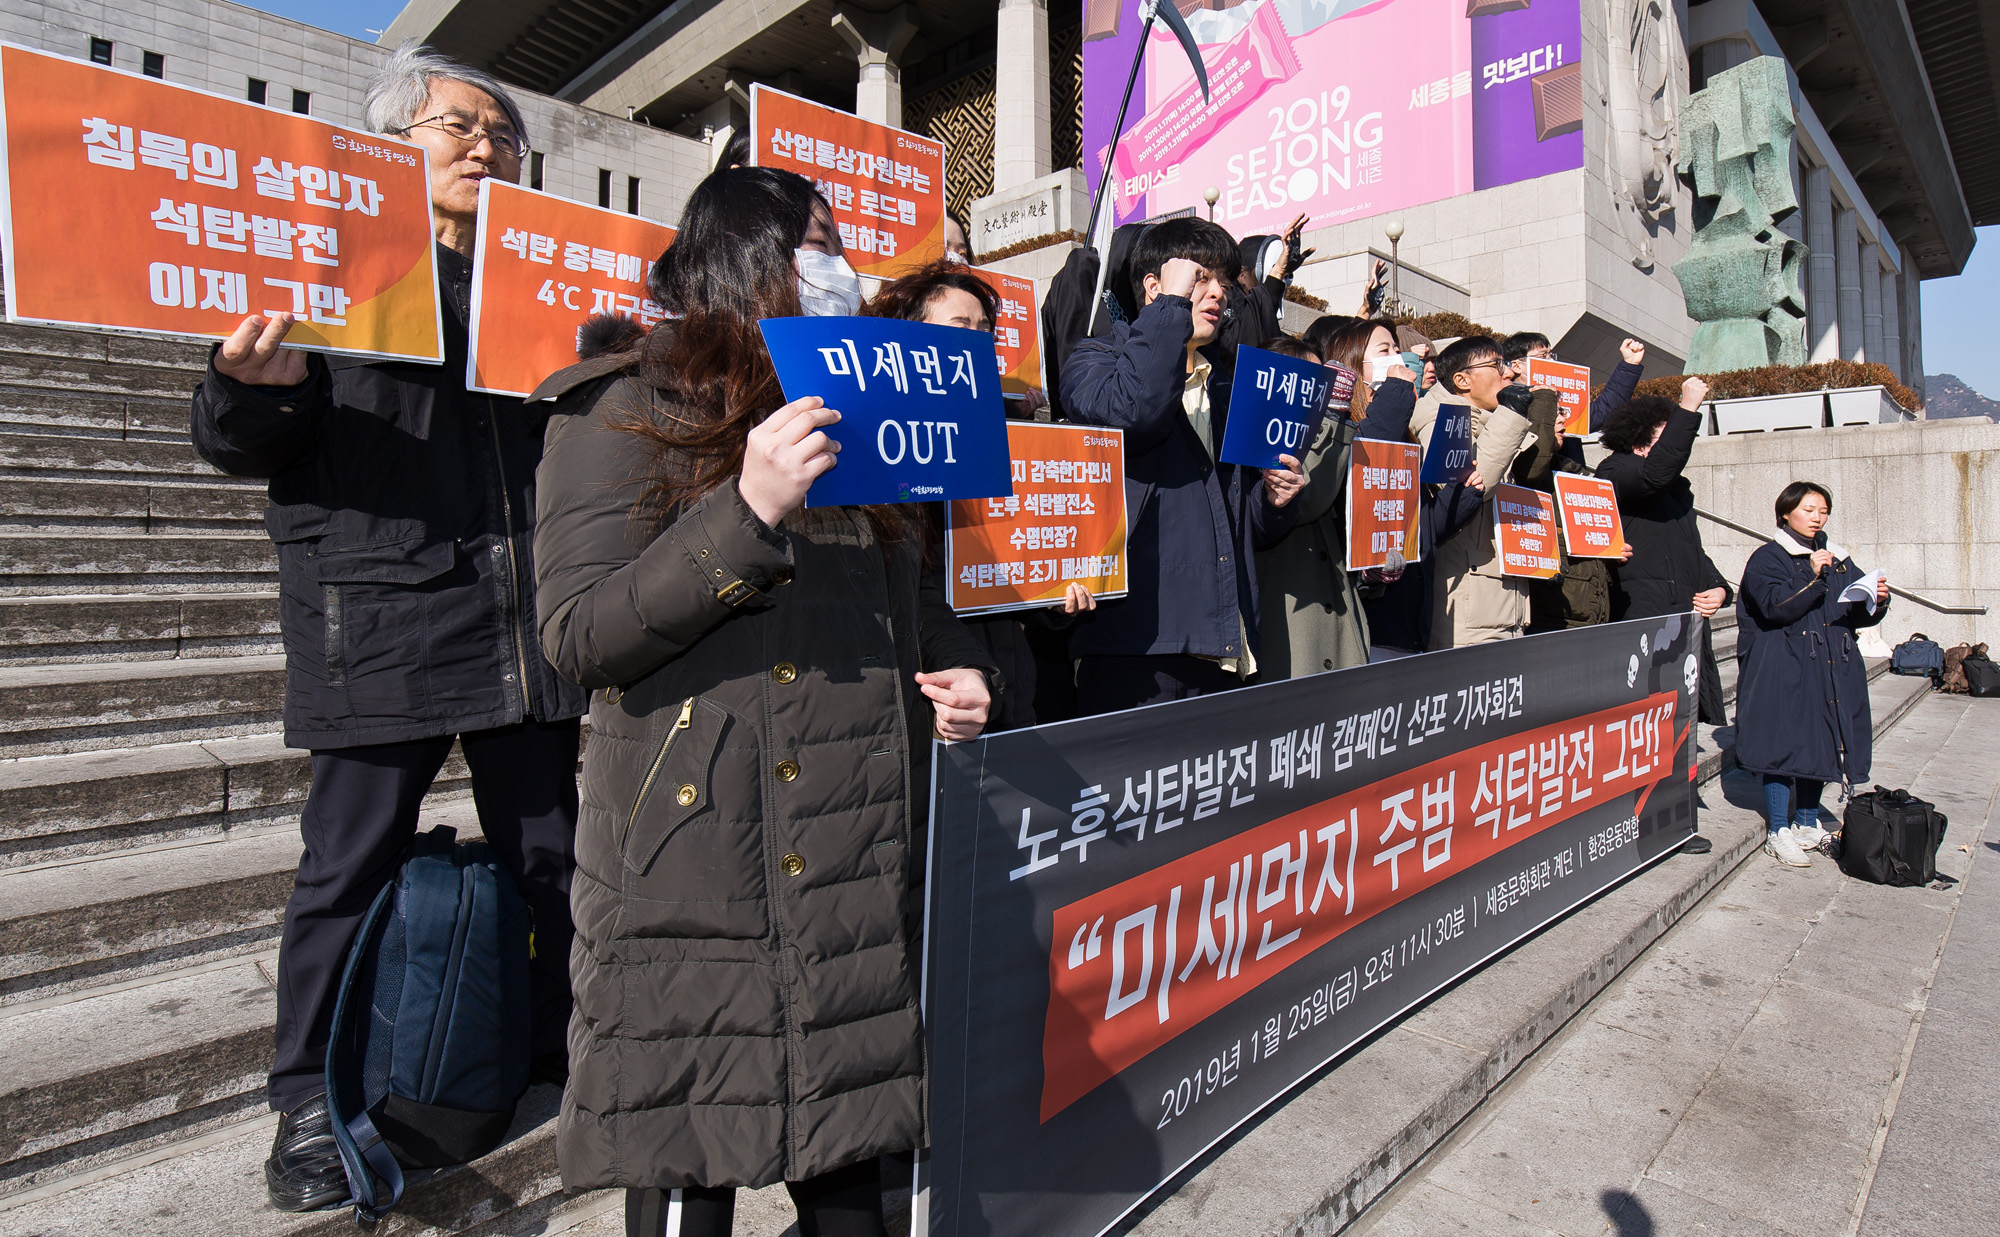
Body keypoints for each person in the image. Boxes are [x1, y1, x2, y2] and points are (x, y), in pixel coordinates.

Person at [530, 165, 997, 1237]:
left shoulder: (862, 407)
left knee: (853, 1167)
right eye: (818, 243)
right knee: (695, 1156)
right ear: (746, 257)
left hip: (851, 844)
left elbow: (913, 592)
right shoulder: (623, 404)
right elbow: (579, 634)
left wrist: (964, 669)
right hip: (701, 847)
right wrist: (745, 509)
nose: (842, 267)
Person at [188, 45, 587, 1212]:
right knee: (345, 868)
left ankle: (561, 1051)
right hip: (382, 619)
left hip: (528, 629)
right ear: (387, 146)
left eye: (502, 134)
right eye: (455, 125)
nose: (482, 146)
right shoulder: (322, 264)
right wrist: (252, 382)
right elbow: (237, 441)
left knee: (555, 858)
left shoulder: (547, 283)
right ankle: (309, 1098)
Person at [1060, 217, 1306, 713]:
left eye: (1224, 281)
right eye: (1201, 279)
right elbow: (1137, 412)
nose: (1219, 294)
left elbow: (1237, 525)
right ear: (1156, 285)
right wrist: (1171, 309)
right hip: (1137, 651)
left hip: (1224, 644)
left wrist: (1275, 500)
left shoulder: (1226, 385)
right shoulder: (1093, 361)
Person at [864, 259, 1094, 729]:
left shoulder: (1011, 439)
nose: (978, 339)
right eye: (960, 325)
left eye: (985, 328)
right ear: (911, 337)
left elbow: (1019, 574)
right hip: (933, 695)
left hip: (1012, 688)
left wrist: (1053, 601)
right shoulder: (880, 444)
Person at [1592, 384, 1722, 854]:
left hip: (1681, 622)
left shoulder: (1677, 491)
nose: (1677, 442)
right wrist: (1688, 406)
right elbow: (1656, 471)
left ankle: (1675, 817)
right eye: (1667, 432)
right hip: (1641, 618)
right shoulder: (1619, 471)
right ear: (1642, 436)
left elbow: (1694, 552)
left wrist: (1718, 587)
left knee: (1678, 723)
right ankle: (1646, 817)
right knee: (1647, 724)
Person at [1733, 482, 1890, 868]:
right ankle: (1778, 830)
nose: (1817, 516)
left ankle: (1806, 822)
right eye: (1808, 509)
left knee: (1820, 739)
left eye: (1823, 510)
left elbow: (1852, 609)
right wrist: (1814, 578)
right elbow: (1774, 607)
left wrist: (1876, 600)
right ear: (1785, 512)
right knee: (1782, 744)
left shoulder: (1834, 556)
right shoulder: (1767, 557)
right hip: (1783, 664)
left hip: (1830, 662)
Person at [1418, 336, 1557, 648]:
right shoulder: (1438, 418)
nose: (1507, 373)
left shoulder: (1493, 420)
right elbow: (1471, 486)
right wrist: (1513, 414)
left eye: (1506, 365)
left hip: (1500, 606)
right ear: (1462, 380)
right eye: (1497, 365)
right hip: (1467, 613)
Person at [1249, 334, 1369, 679]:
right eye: (1310, 384)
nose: (1319, 395)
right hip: (1287, 633)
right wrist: (1331, 417)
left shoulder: (1337, 439)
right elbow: (1308, 499)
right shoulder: (1254, 441)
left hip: (1338, 624)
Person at [1502, 332, 1647, 466]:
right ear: (1516, 366)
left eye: (1552, 355)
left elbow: (1605, 411)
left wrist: (1629, 365)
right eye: (1543, 356)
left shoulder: (1563, 398)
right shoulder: (1504, 402)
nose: (1551, 361)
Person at [1219, 212, 1312, 353]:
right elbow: (1243, 346)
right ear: (1241, 275)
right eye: (1273, 267)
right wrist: (1277, 273)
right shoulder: (1222, 316)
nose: (1284, 281)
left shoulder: (1281, 338)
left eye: (1288, 274)